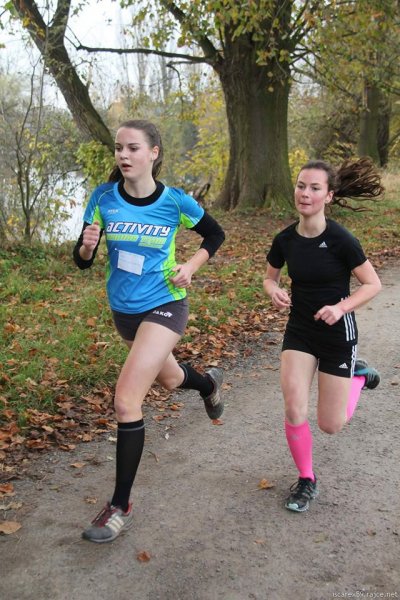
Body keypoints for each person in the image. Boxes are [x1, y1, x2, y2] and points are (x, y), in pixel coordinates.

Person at [73, 119, 225, 542]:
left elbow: (215, 233)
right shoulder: (103, 198)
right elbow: (82, 260)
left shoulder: (174, 201)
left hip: (165, 304)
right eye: (118, 148)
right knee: (171, 378)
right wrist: (86, 247)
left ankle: (120, 505)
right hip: (124, 311)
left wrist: (191, 265)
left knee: (126, 401)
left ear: (153, 153)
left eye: (133, 148)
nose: (123, 155)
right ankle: (208, 384)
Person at [263, 157, 383, 513]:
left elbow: (372, 284)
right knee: (293, 406)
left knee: (331, 425)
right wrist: (273, 290)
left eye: (315, 188)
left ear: (328, 196)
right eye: (301, 186)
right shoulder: (285, 239)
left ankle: (358, 376)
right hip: (300, 331)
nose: (305, 193)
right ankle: (306, 479)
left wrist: (341, 307)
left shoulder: (341, 239)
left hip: (337, 335)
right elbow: (269, 277)